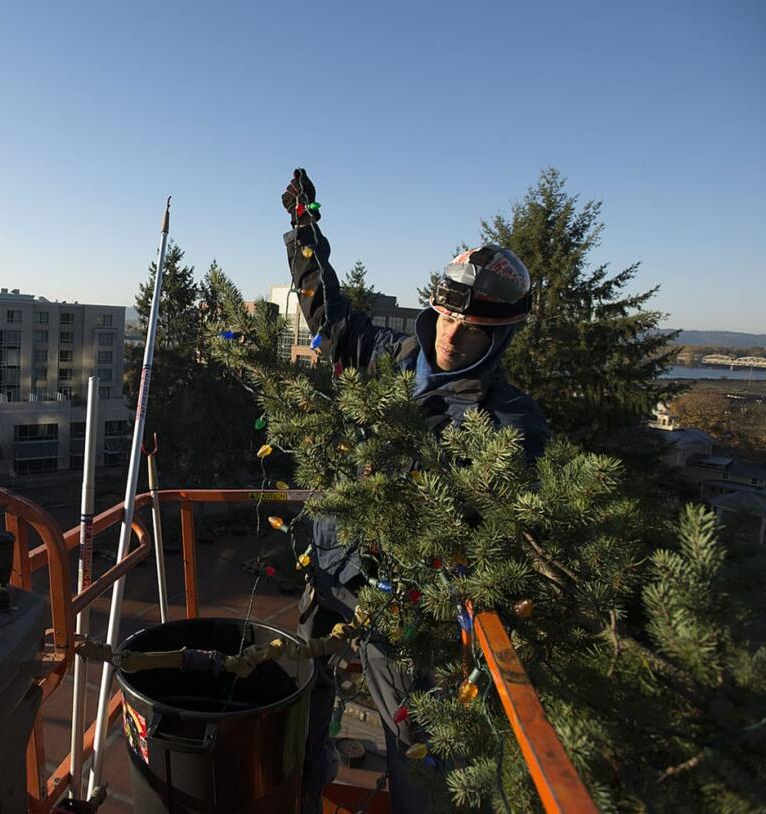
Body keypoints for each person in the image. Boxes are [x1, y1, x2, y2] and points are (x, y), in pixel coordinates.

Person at [280, 169, 549, 814]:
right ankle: (298, 796)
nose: (454, 334)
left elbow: (485, 519)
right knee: (299, 696)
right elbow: (331, 316)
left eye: (475, 328)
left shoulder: (506, 423)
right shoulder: (391, 356)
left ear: (502, 335)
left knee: (415, 738)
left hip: (408, 601)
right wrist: (303, 229)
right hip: (332, 565)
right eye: (450, 314)